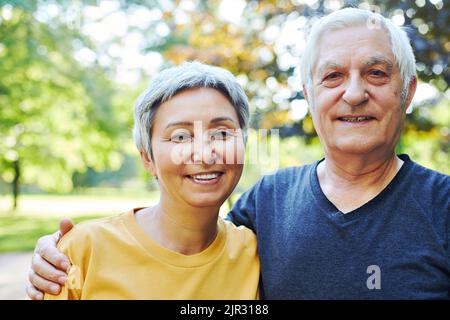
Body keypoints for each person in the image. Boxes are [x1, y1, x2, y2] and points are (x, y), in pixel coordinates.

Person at [28, 8, 449, 300]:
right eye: (333, 76)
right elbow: (182, 242)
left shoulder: (442, 207)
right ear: (310, 94)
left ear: (407, 90)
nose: (354, 94)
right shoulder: (266, 205)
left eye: (376, 73)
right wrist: (56, 254)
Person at [35, 61, 260, 299]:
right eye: (181, 136)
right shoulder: (83, 250)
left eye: (222, 133)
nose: (204, 153)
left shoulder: (255, 253)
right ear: (147, 158)